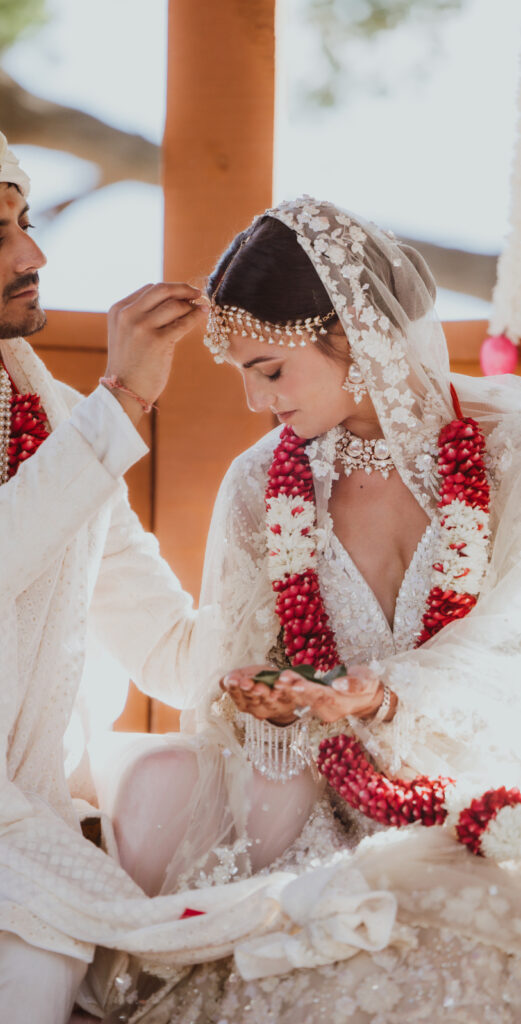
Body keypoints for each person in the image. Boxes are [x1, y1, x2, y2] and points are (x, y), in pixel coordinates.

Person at [0, 77, 368, 1024]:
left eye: (25, 224)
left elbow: (164, 645)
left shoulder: (45, 415)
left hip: (16, 805)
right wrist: (122, 404)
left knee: (38, 970)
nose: (34, 255)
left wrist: (285, 652)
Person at [95, 197, 521, 1022]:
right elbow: (238, 674)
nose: (257, 405)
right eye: (244, 376)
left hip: (485, 787)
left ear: (352, 339)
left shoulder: (509, 445)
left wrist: (388, 694)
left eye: (271, 371)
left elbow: (511, 639)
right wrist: (271, 701)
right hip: (321, 810)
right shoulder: (260, 484)